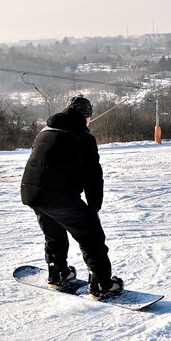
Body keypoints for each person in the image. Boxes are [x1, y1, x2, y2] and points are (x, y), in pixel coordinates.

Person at [21, 96, 123, 299]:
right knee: (91, 236)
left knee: (54, 233)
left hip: (32, 193)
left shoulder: (46, 131)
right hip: (58, 196)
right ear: (86, 117)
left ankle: (59, 273)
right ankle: (102, 285)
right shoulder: (82, 137)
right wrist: (93, 207)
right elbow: (92, 175)